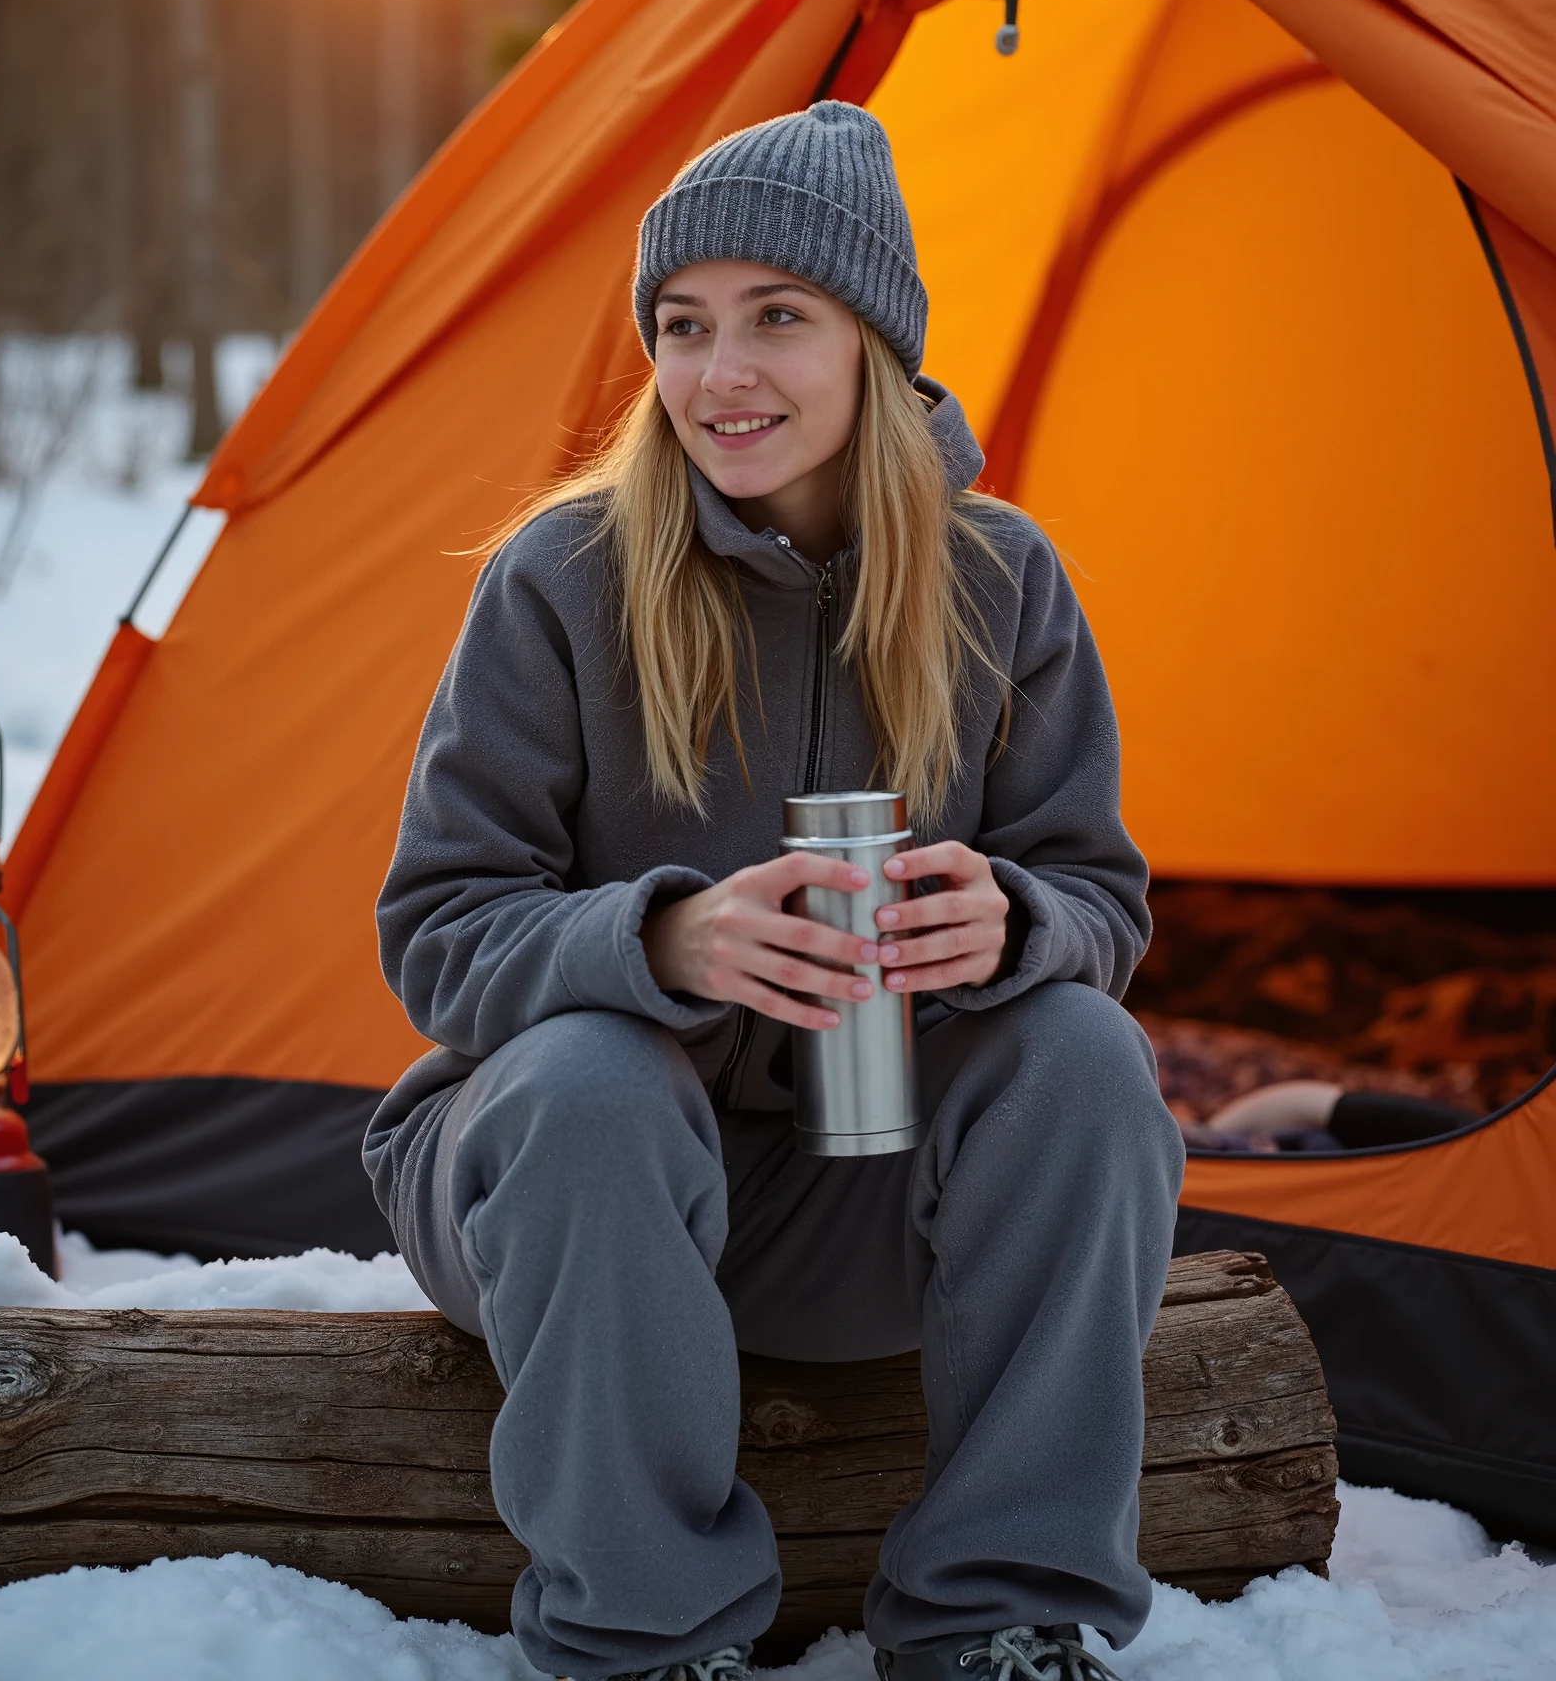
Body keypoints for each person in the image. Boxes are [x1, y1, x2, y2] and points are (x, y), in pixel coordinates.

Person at [364, 102, 1185, 1681]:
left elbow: (1100, 899)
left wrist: (1018, 923)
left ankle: (1002, 1610)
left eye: (777, 319)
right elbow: (438, 929)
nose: (718, 375)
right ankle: (642, 1637)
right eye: (684, 326)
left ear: (875, 341)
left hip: (846, 1192)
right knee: (601, 1082)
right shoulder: (566, 578)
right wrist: (656, 937)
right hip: (554, 1186)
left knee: (1085, 1058)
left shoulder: (1001, 580)